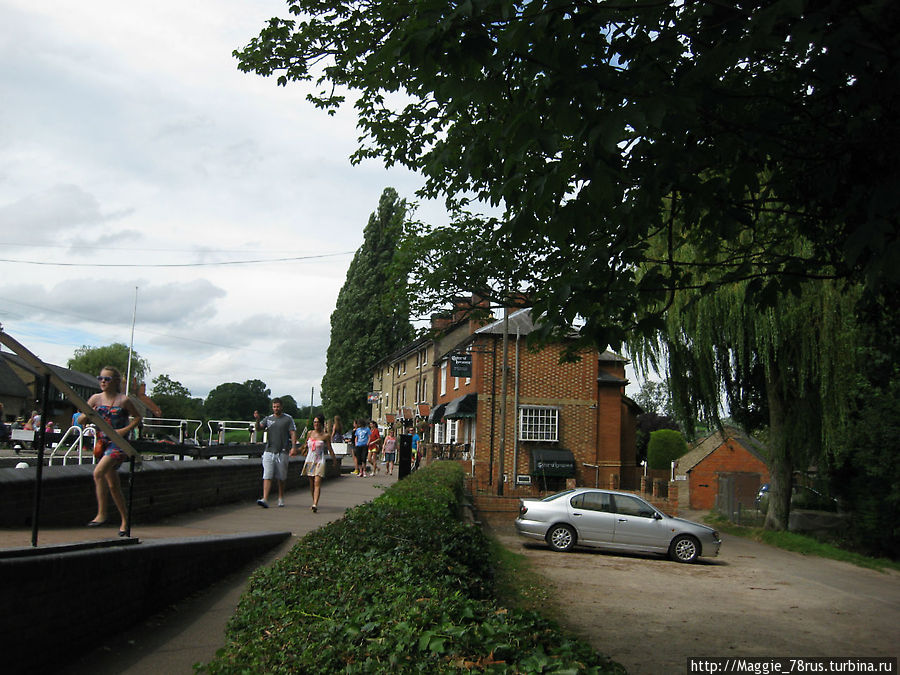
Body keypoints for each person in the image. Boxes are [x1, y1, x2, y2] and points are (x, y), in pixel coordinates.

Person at [79, 366, 142, 536]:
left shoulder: (124, 400)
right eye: (100, 378)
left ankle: (102, 514)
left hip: (118, 443)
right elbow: (80, 418)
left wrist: (125, 430)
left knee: (98, 473)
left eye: (106, 379)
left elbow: (138, 417)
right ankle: (125, 521)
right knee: (113, 486)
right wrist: (86, 415)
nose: (103, 382)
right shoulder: (95, 399)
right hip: (103, 443)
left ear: (115, 381)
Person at [253, 398, 298, 508]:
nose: (276, 409)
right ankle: (265, 498)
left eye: (277, 407)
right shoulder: (268, 419)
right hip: (269, 450)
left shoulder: (288, 419)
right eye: (274, 407)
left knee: (281, 477)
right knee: (267, 474)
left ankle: (281, 497)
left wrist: (293, 447)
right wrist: (257, 420)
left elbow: (292, 433)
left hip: (282, 451)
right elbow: (259, 428)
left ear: (281, 407)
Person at [301, 413, 337, 512]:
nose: (315, 424)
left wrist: (334, 460)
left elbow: (330, 449)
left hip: (319, 460)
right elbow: (305, 445)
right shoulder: (309, 433)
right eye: (314, 422)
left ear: (321, 423)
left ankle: (315, 504)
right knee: (311, 483)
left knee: (317, 482)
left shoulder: (325, 436)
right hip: (310, 460)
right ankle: (314, 501)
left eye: (317, 422)